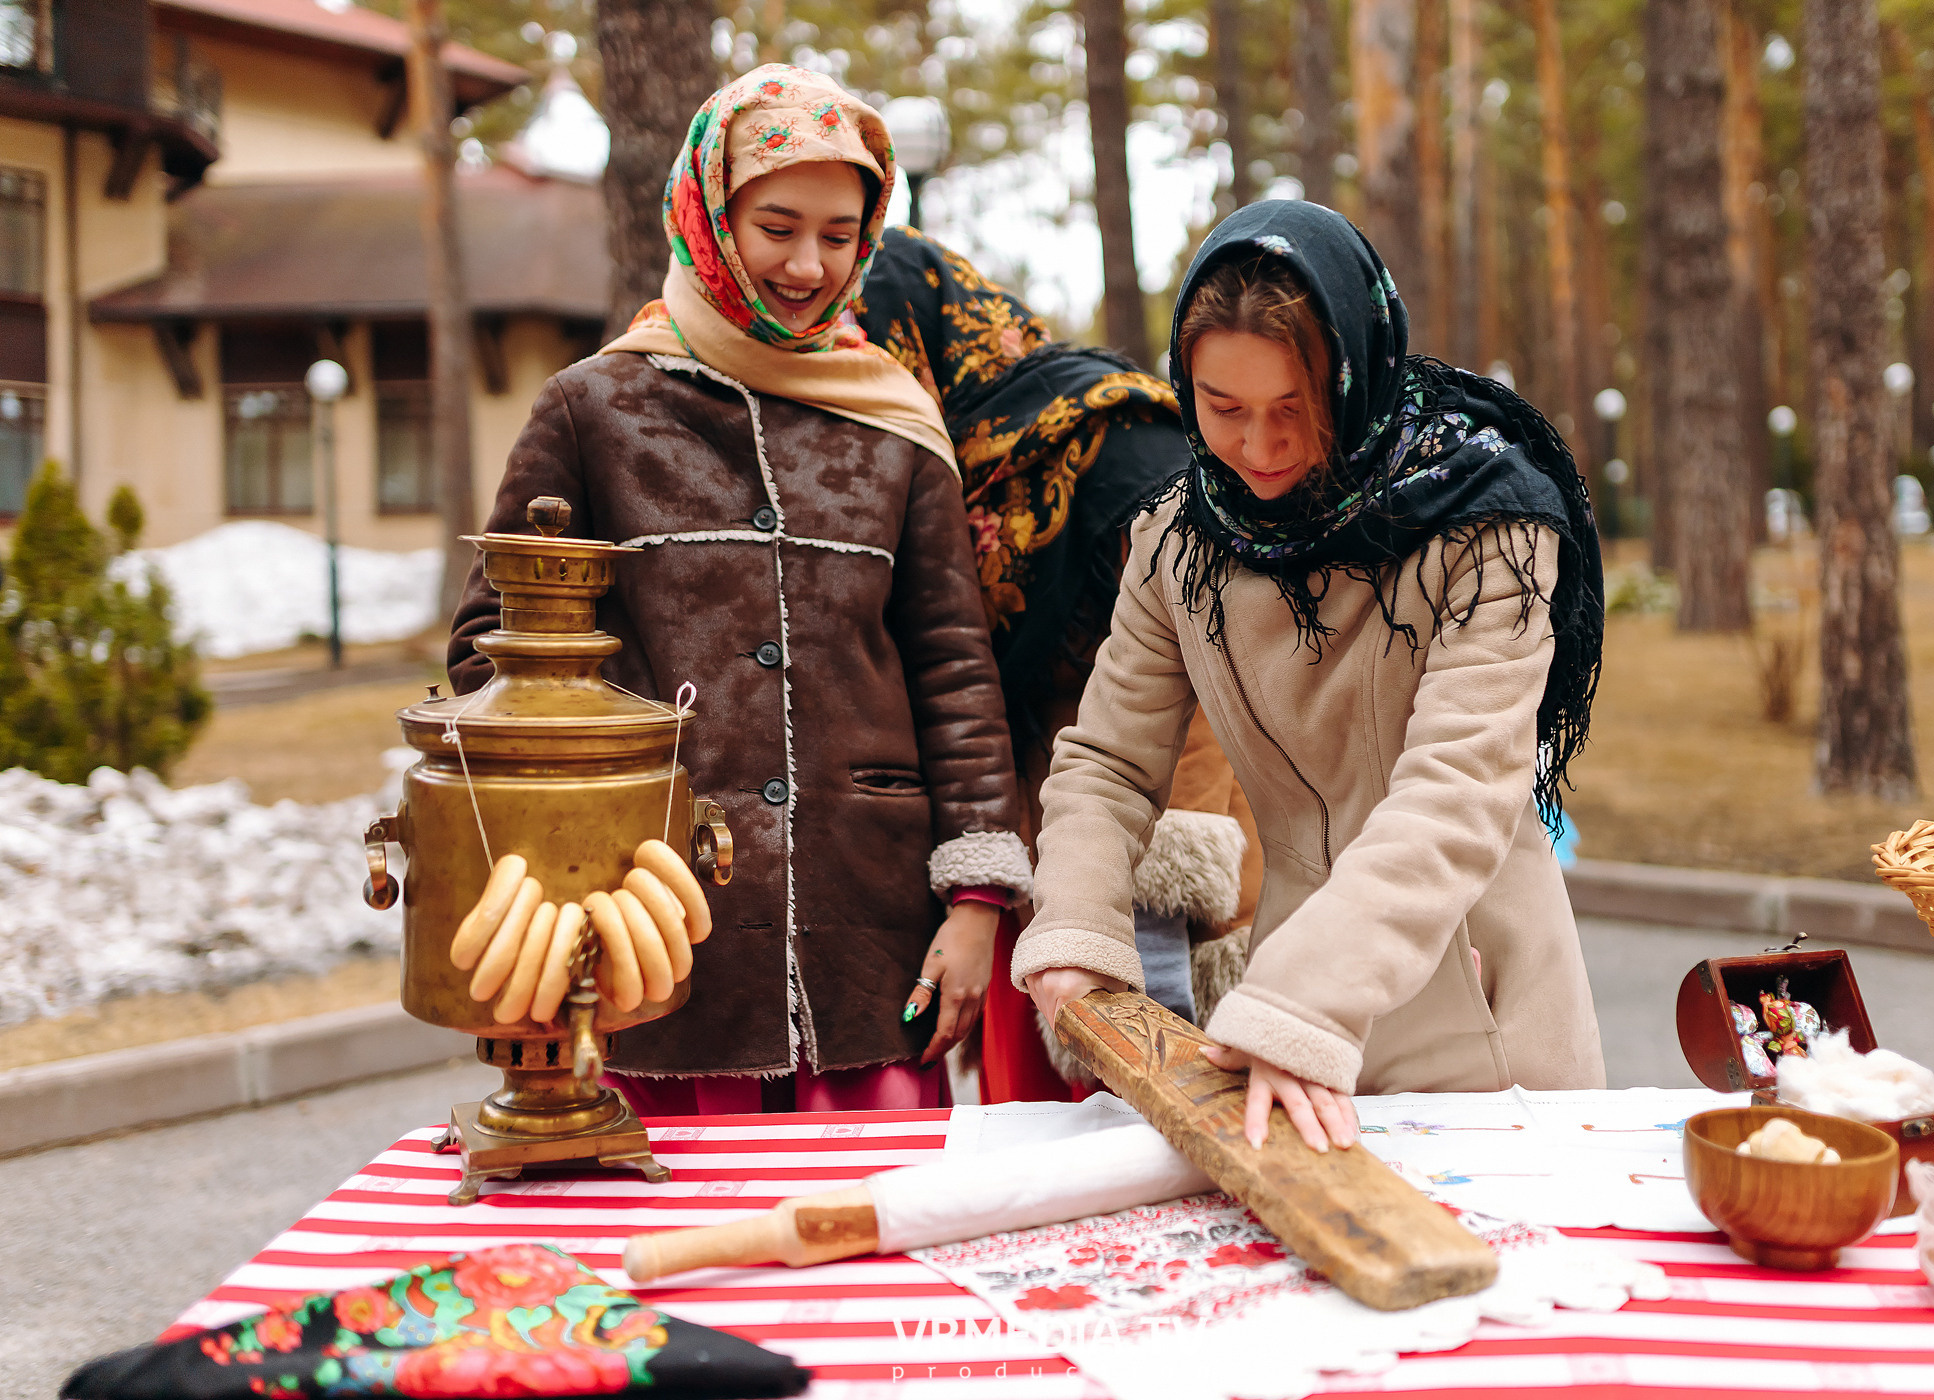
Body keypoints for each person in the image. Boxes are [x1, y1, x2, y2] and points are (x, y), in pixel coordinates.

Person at [447, 66, 1030, 1113]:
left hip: (870, 931)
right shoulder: (594, 409)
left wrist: (978, 898)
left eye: (842, 234)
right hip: (649, 924)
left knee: (874, 1244)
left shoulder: (894, 421)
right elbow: (491, 654)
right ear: (709, 211)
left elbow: (954, 666)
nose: (810, 263)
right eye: (777, 225)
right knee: (671, 1247)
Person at [1015, 201, 1608, 1149]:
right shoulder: (1179, 538)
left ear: (1357, 370)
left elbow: (1459, 793)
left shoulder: (1489, 524)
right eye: (1223, 409)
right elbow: (1108, 762)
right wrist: (1079, 925)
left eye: (1297, 407)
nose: (1258, 448)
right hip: (1281, 1001)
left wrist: (1304, 1002)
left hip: (1476, 994)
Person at [856, 228, 1261, 1100]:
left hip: (1160, 833)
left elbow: (1196, 678)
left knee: (1161, 1105)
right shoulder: (958, 466)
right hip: (1049, 842)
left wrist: (1152, 924)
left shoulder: (1123, 444)